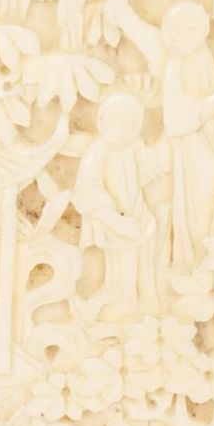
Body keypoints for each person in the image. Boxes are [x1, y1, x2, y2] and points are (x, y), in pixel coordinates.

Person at [160, 3, 214, 269]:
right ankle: (200, 262)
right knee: (204, 201)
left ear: (204, 29)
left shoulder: (204, 54)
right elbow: (176, 120)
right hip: (194, 148)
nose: (176, 37)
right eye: (172, 30)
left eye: (187, 30)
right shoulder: (175, 67)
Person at [73, 91, 158, 314]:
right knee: (122, 260)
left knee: (144, 258)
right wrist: (113, 219)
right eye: (118, 125)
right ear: (101, 121)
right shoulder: (98, 151)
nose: (124, 132)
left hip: (137, 212)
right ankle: (124, 298)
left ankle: (145, 299)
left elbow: (147, 170)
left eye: (132, 126)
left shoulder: (134, 145)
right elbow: (86, 191)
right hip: (113, 220)